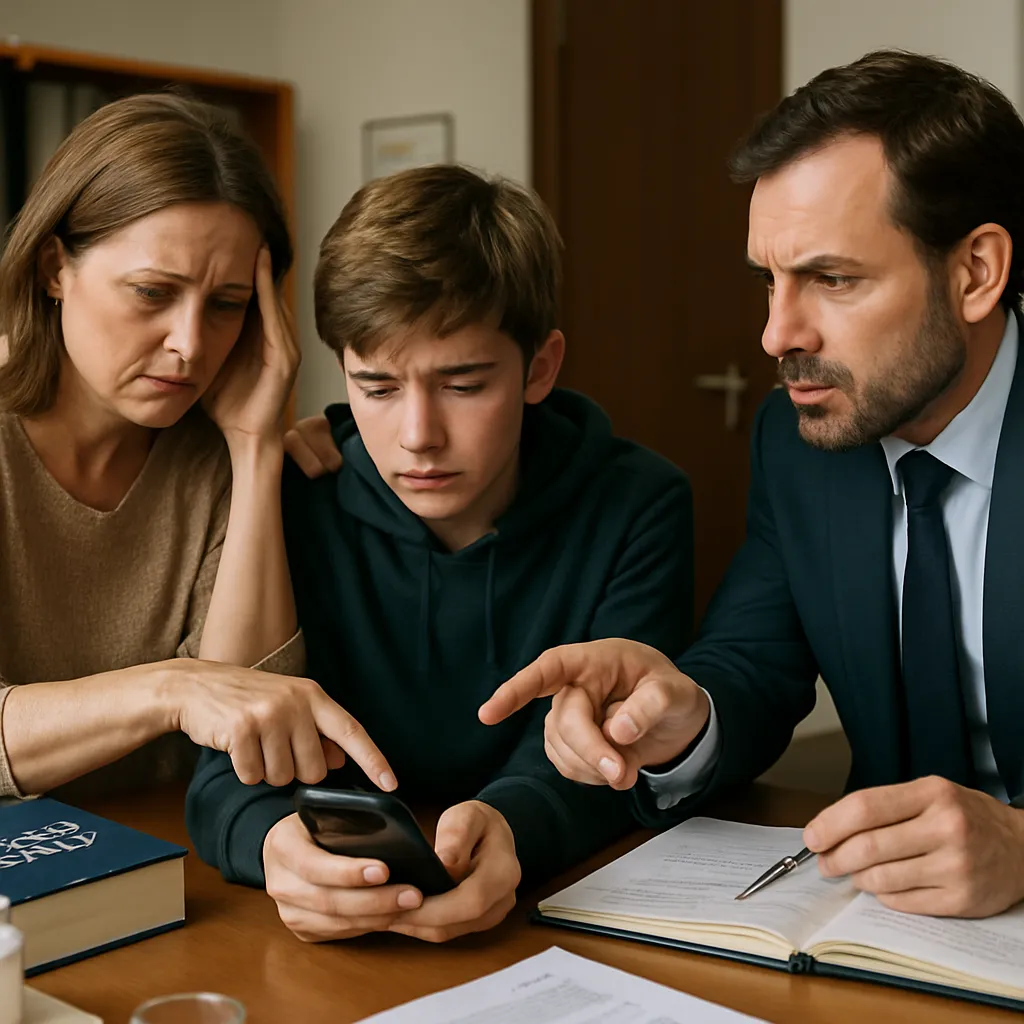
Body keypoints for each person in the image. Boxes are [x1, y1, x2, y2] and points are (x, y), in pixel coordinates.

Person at [481, 50, 1024, 920]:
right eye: (767, 280)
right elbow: (757, 660)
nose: (776, 333)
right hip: (878, 928)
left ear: (975, 273)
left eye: (832, 279)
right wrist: (680, 714)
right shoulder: (798, 439)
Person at [186, 164, 694, 944]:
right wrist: (271, 843)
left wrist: (513, 827)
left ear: (542, 367)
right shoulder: (294, 498)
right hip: (322, 937)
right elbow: (226, 761)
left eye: (462, 384)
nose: (418, 435)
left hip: (546, 925)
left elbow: (615, 759)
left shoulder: (640, 506)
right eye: (378, 387)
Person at [0, 93, 392, 804]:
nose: (189, 346)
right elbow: (208, 697)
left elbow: (253, 729)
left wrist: (254, 449)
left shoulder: (217, 451)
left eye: (226, 304)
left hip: (167, 866)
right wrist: (171, 690)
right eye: (153, 292)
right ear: (53, 268)